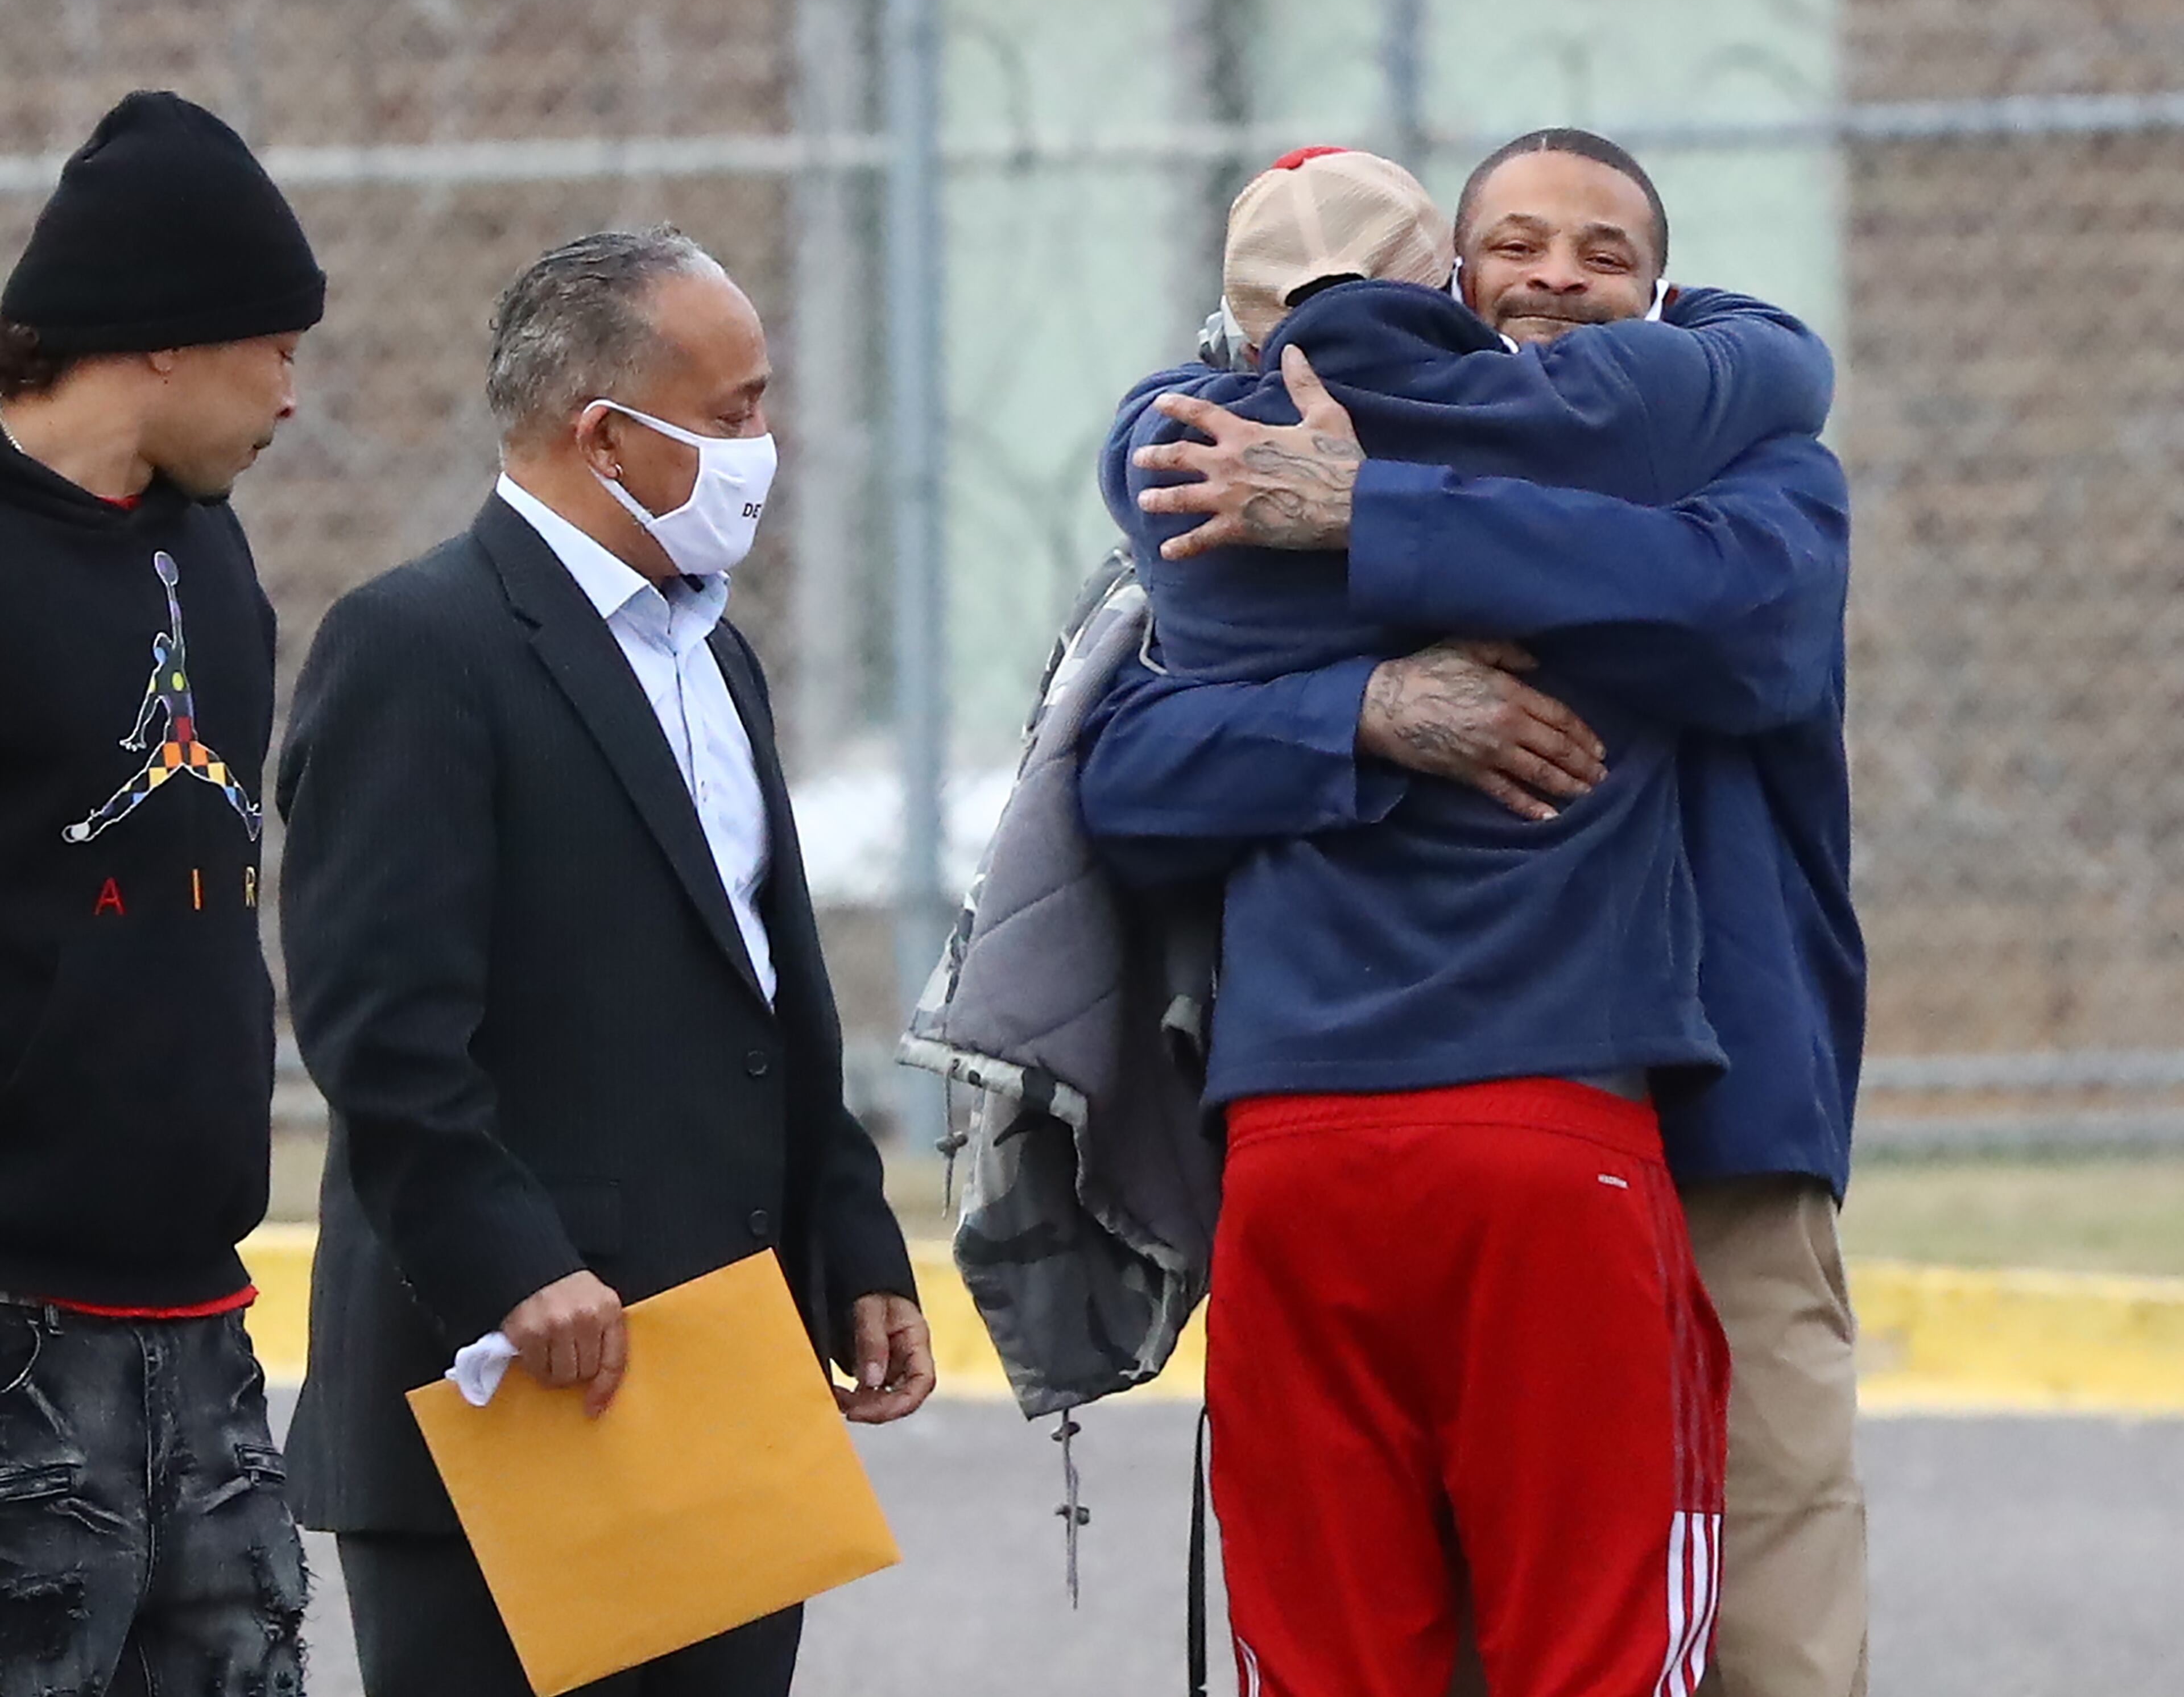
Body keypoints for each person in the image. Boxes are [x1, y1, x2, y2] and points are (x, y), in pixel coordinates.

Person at [1090, 130, 1863, 1697]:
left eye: (1607, 253)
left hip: (1715, 1136)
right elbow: (1130, 775)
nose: (1560, 275)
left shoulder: (1742, 472)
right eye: (1517, 241)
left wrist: (1378, 522)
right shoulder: (1262, 469)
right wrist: (1360, 708)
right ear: (1444, 277)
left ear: (1665, 297)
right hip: (1434, 1131)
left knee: (1761, 1632)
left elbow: (1734, 626)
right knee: (1423, 1627)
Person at [278, 226, 934, 1697]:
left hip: (721, 1382)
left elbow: (757, 989)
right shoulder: (418, 645)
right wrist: (512, 1267)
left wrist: (850, 1238)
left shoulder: (715, 653)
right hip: (511, 1392)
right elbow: (379, 1028)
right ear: (608, 438)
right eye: (734, 412)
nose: (768, 447)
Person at [0, 90, 324, 1694]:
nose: (291, 393)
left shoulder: (210, 552)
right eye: (272, 347)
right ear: (160, 343)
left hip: (202, 1319)